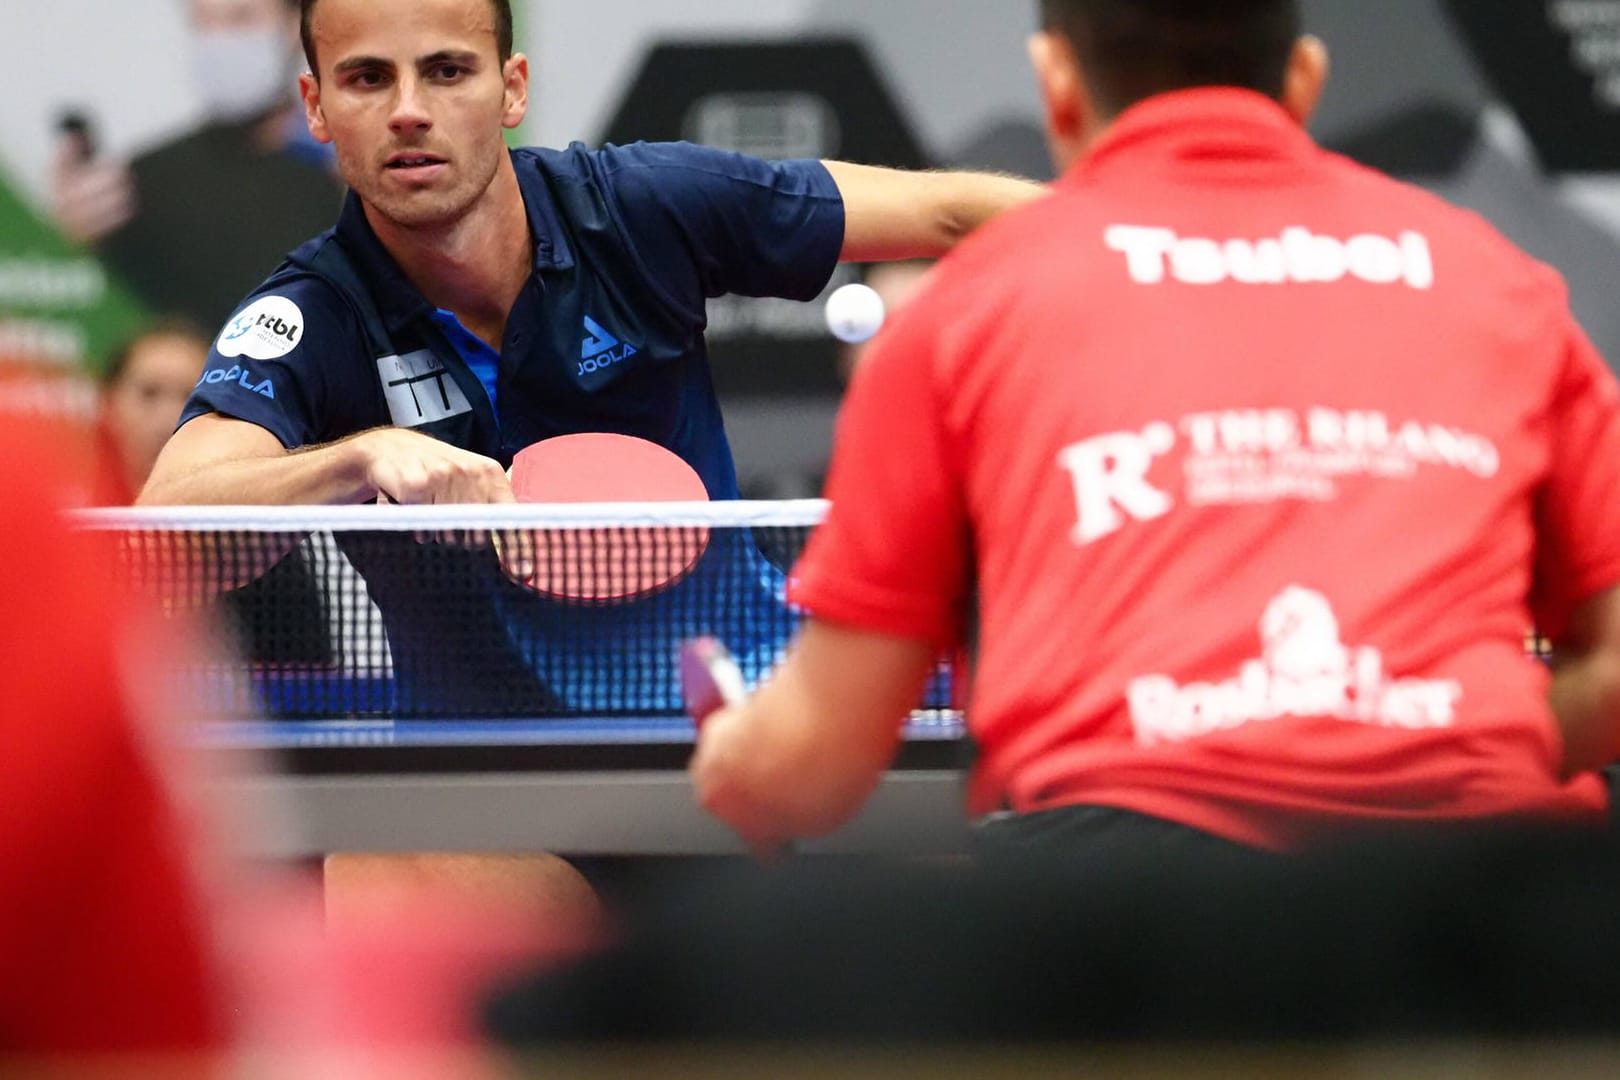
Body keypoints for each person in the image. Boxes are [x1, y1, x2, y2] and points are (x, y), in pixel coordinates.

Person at [689, 0, 1620, 859]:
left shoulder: (966, 308)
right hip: (1484, 875)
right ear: (1303, 79)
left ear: (1056, 84)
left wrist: (737, 753)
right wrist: (1460, 732)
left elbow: (809, 771)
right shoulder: (1495, 280)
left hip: (1132, 872)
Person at [52, 0, 342, 330]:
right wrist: (76, 239)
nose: (219, 40)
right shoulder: (146, 182)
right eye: (203, 22)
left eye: (240, 18)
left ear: (295, 28)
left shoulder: (342, 169)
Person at [97, 321, 211, 501]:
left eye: (189, 396)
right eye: (149, 393)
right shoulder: (61, 507)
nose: (169, 417)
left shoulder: (235, 516)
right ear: (108, 401)